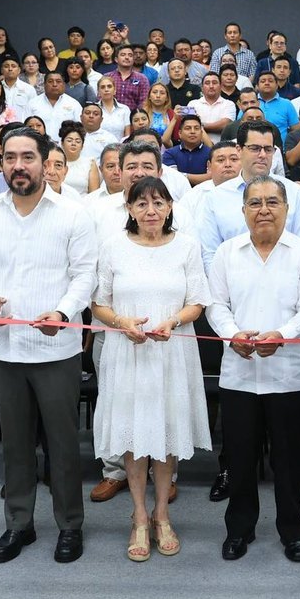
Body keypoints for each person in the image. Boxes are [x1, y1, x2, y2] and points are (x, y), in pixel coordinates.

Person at [0, 129, 98, 566]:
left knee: (62, 443)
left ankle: (70, 524)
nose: (18, 166)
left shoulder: (73, 214)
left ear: (45, 162)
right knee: (16, 444)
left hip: (56, 351)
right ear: (1, 163)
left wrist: (62, 312)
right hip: (5, 350)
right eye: (10, 158)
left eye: (27, 157)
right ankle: (19, 523)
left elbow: (85, 274)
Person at [91, 176, 210, 561]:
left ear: (170, 206)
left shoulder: (187, 246)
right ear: (129, 209)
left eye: (159, 202)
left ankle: (162, 514)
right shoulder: (113, 247)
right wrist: (121, 322)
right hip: (128, 352)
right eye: (141, 203)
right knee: (135, 433)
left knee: (165, 433)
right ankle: (140, 517)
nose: (151, 210)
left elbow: (197, 302)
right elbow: (99, 304)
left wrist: (172, 321)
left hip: (171, 351)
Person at [206, 177, 300, 561]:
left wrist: (282, 335)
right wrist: (231, 334)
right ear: (244, 211)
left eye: (272, 202)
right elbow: (215, 305)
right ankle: (240, 529)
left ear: (286, 208)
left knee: (288, 460)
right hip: (239, 373)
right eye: (255, 203)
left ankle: (293, 531)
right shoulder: (227, 253)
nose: (264, 210)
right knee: (240, 458)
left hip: (289, 374)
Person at [196, 123, 300, 269]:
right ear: (239, 150)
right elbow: (210, 255)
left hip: (286, 277)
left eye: (268, 149)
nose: (263, 155)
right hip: (232, 279)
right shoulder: (216, 197)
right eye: (255, 148)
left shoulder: (294, 193)